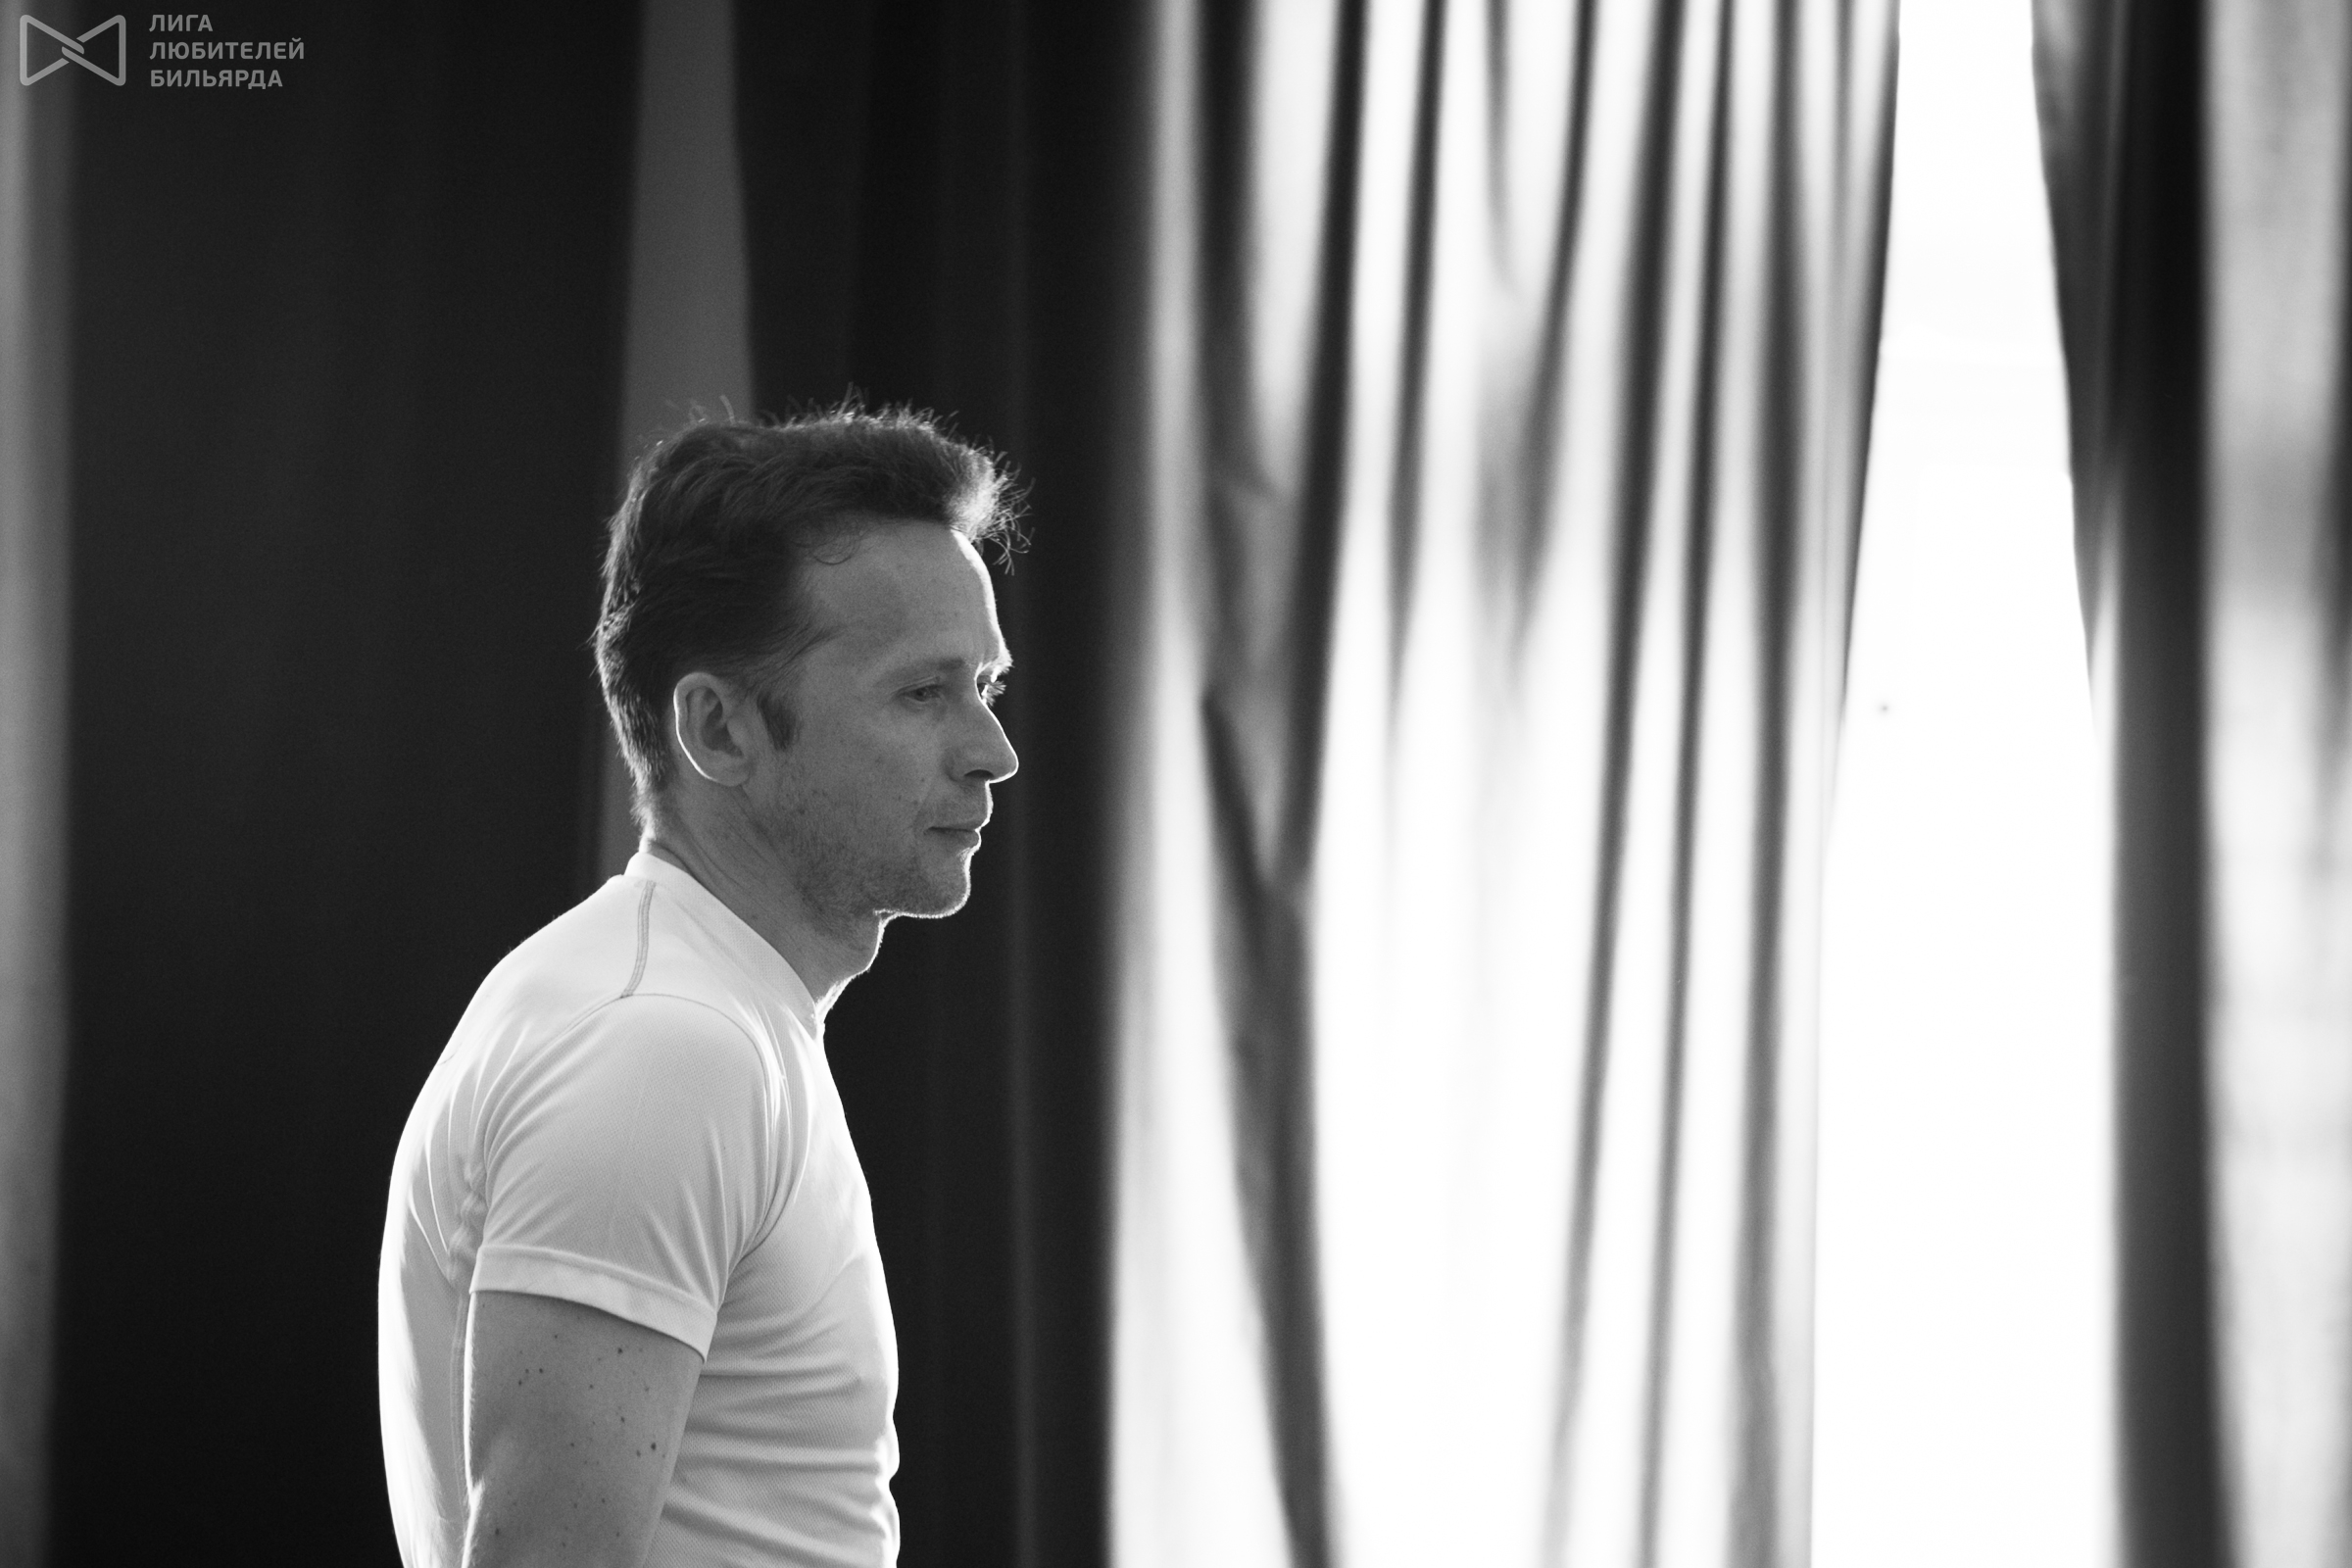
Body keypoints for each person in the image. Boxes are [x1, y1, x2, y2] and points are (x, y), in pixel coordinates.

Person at [376, 408, 1022, 1568]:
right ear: (718, 729)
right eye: (924, 693)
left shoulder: (708, 1011)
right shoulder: (661, 1048)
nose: (992, 751)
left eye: (986, 685)